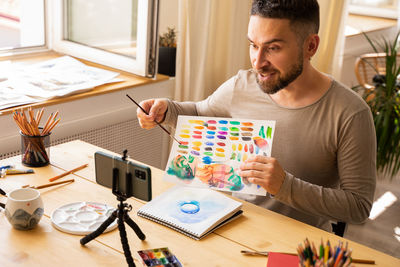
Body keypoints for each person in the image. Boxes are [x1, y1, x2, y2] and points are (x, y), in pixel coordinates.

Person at [137, 0, 376, 232]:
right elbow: (200, 113)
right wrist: (166, 110)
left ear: (310, 46)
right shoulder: (242, 85)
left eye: (273, 48)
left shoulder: (350, 114)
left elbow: (358, 206)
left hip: (296, 244)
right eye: (253, 44)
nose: (258, 62)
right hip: (229, 224)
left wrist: (285, 186)